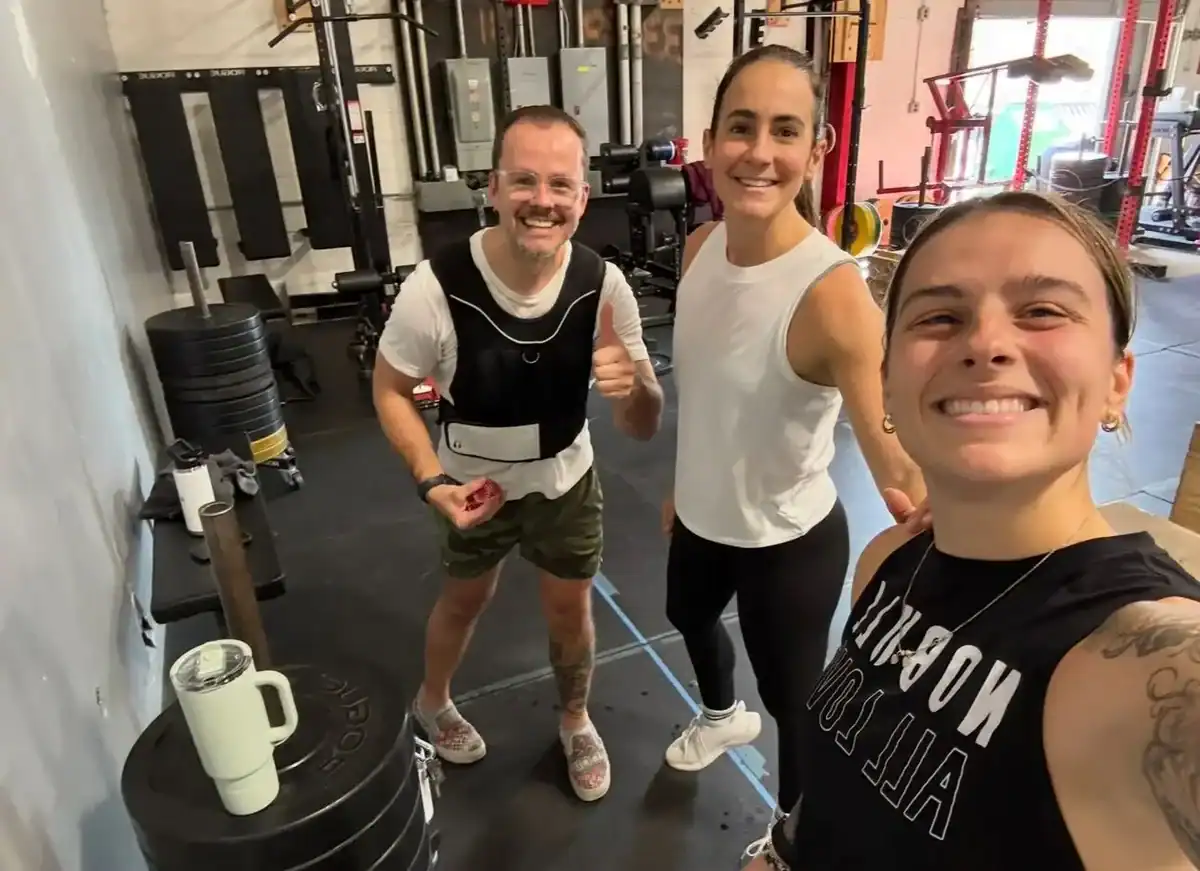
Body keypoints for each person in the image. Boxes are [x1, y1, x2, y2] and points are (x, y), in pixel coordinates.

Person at [745, 190, 1200, 870]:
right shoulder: (889, 562)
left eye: (1042, 311)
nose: (985, 343)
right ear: (888, 384)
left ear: (1117, 381)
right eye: (940, 316)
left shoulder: (1141, 661)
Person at [660, 43, 926, 843]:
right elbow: (710, 395)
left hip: (785, 541)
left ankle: (793, 838)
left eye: (785, 130)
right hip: (703, 513)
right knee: (685, 612)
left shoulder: (832, 293)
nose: (759, 151)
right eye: (741, 127)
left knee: (794, 703)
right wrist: (685, 483)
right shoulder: (700, 248)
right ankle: (720, 715)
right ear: (711, 143)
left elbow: (896, 456)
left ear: (817, 150)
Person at [372, 104, 665, 803]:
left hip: (566, 482)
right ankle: (431, 701)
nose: (543, 200)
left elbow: (643, 425)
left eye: (560, 185)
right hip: (471, 489)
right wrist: (431, 480)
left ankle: (575, 719)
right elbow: (388, 389)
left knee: (570, 608)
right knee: (463, 601)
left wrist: (636, 389)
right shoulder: (435, 288)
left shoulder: (604, 286)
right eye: (525, 181)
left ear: (582, 198)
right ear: (495, 188)